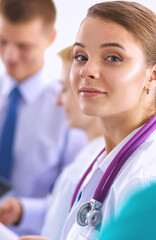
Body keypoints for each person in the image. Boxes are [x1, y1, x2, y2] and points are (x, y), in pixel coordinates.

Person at [16, 1, 156, 240]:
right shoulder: (103, 158)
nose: (87, 70)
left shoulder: (145, 176)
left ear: (152, 75)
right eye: (80, 56)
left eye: (113, 58)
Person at [0, 45, 104, 239]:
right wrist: (21, 210)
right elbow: (64, 211)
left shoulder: (98, 162)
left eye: (64, 89)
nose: (57, 101)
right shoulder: (87, 156)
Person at [0, 0, 87, 201]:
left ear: (50, 38)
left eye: (23, 46)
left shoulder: (68, 107)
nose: (10, 55)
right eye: (3, 41)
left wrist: (23, 211)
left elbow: (74, 195)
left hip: (33, 231)